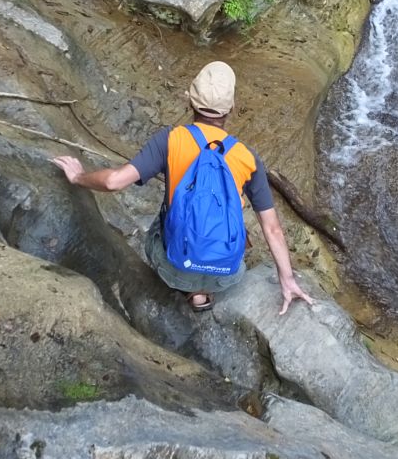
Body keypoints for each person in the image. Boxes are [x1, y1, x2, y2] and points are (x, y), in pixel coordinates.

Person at [52, 61, 315, 315]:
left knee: (167, 213)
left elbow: (113, 182)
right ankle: (204, 289)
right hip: (227, 276)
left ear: (189, 99)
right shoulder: (248, 157)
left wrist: (78, 177)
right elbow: (273, 228)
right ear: (232, 108)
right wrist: (287, 279)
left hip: (174, 270)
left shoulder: (171, 139)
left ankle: (191, 288)